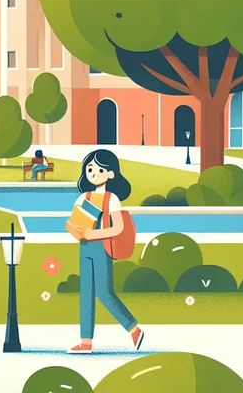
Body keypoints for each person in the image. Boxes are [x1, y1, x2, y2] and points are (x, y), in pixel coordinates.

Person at [66, 149, 144, 354]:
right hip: (85, 248)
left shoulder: (112, 200)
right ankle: (85, 341)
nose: (93, 173)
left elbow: (118, 228)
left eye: (99, 169)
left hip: (102, 248)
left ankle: (133, 328)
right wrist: (72, 228)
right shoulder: (84, 197)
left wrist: (93, 234)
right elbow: (74, 222)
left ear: (111, 174)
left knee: (104, 292)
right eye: (90, 168)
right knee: (86, 293)